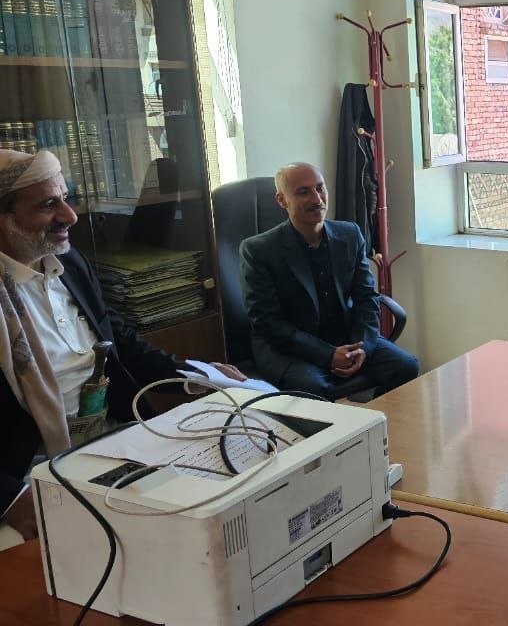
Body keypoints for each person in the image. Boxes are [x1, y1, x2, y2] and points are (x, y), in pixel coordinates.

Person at [0, 149, 245, 543]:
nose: (70, 216)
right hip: (29, 471)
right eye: (48, 205)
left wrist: (195, 375)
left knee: (207, 509)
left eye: (66, 198)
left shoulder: (70, 264)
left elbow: (120, 342)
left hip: (112, 438)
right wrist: (10, 498)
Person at [240, 163, 419, 396]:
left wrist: (361, 348)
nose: (317, 199)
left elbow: (366, 298)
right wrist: (328, 355)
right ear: (282, 200)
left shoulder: (350, 234)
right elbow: (267, 323)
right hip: (290, 348)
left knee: (406, 366)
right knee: (314, 389)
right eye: (303, 192)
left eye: (319, 188)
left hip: (345, 337)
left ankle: (376, 417)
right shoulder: (258, 250)